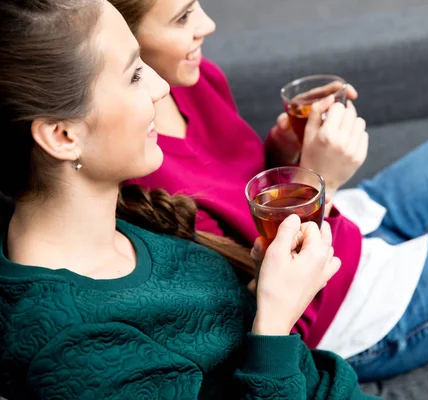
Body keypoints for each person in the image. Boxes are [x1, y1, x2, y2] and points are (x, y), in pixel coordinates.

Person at [111, 0, 428, 382]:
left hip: (355, 222)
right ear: (121, 46)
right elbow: (277, 309)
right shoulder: (138, 177)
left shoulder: (189, 78)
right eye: (182, 18)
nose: (209, 24)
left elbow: (242, 188)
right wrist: (315, 177)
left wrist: (286, 150)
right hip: (350, 308)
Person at [0, 1, 381, 399]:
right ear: (62, 136)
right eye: (134, 74)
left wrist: (264, 288)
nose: (161, 88)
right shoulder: (69, 349)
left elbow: (214, 342)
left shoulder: (121, 225)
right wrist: (273, 322)